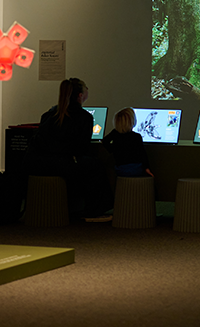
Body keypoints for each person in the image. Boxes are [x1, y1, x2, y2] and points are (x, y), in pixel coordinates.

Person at [24, 77, 111, 220]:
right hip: (63, 164)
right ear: (80, 95)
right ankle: (94, 211)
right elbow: (82, 148)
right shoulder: (84, 117)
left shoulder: (49, 115)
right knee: (96, 167)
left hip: (38, 164)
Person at [104, 107, 153, 177]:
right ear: (132, 121)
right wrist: (147, 168)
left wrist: (113, 149)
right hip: (136, 169)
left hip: (120, 169)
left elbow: (105, 141)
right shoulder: (137, 137)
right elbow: (143, 155)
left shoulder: (115, 133)